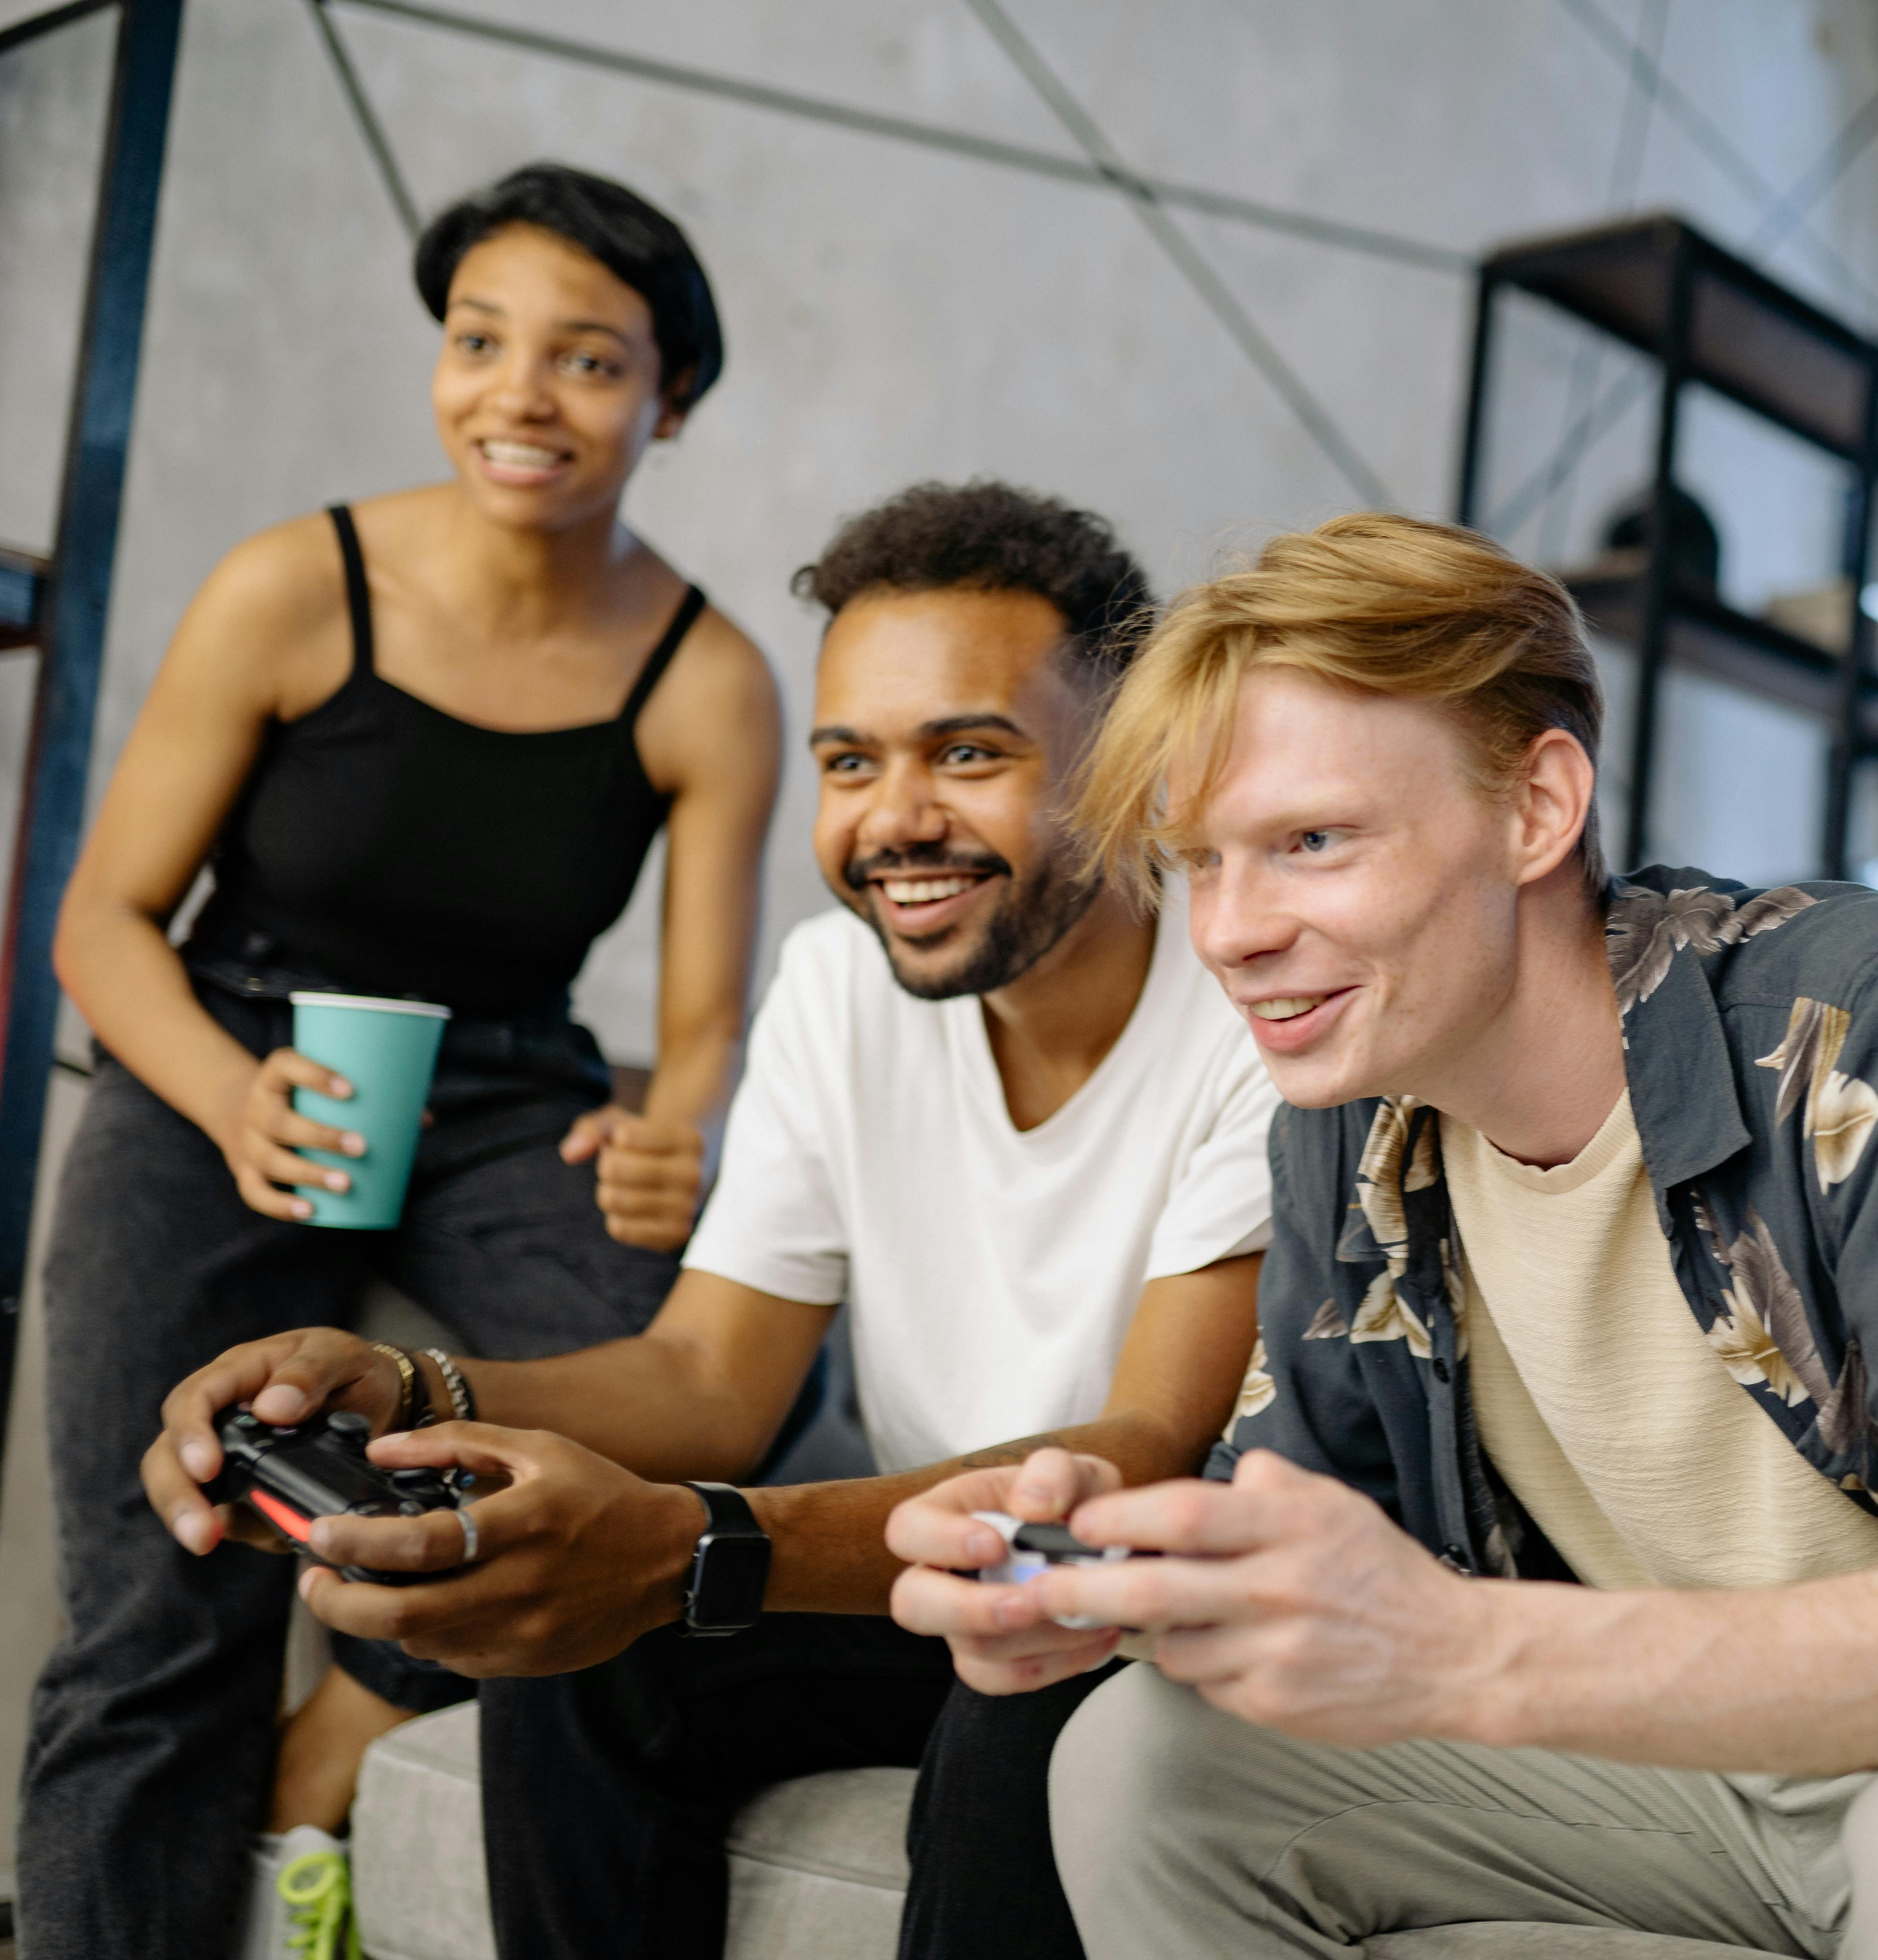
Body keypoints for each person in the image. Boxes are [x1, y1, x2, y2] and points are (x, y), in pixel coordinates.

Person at [883, 513, 1878, 1960]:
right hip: (1666, 1771)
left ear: (1537, 810)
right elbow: (1305, 1545)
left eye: (1311, 842)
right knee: (1143, 1758)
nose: (1232, 932)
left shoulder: (1872, 1022)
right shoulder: (1349, 1112)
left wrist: (1460, 1651)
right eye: (1202, 863)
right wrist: (1093, 1580)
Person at [141, 480, 1278, 1960]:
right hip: (936, 1581)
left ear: (1131, 763)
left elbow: (1137, 1460)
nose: (897, 820)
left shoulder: (1254, 994)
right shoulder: (834, 983)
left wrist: (694, 1545)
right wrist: (414, 1394)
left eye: (971, 752)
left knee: (1019, 1696)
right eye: (849, 761)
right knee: (586, 1656)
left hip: (1135, 1611)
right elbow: (706, 1380)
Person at [21, 162, 780, 1959]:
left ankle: (325, 1757)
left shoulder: (705, 677)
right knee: (163, 1581)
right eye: (479, 343)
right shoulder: (294, 587)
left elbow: (700, 1034)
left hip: (515, 1090)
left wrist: (676, 1130)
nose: (520, 396)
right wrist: (226, 1096)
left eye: (589, 361)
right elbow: (102, 923)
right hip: (234, 1050)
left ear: (671, 399)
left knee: (722, 1412)